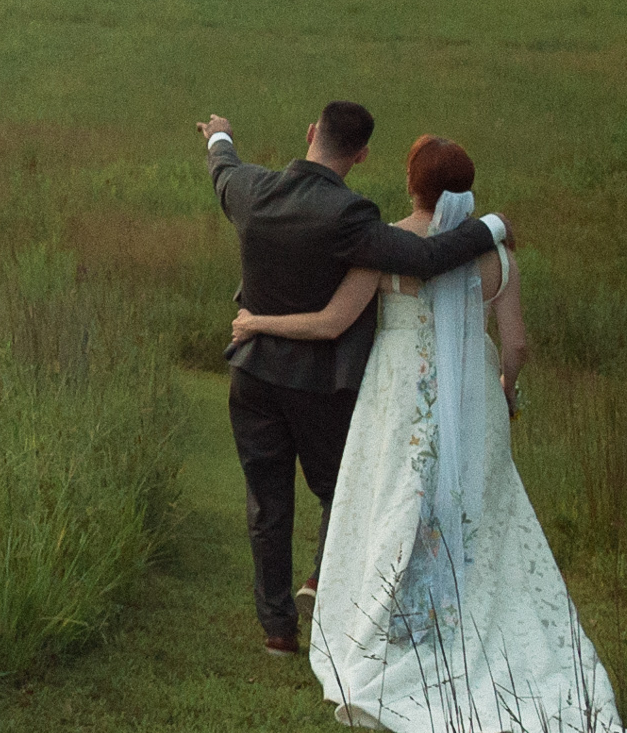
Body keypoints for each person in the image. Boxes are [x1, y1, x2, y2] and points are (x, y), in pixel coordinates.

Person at [234, 133, 627, 733]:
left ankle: (394, 631)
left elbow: (333, 322)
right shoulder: (496, 257)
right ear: (465, 188)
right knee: (478, 518)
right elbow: (517, 344)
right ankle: (468, 628)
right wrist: (506, 388)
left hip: (397, 403)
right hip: (473, 403)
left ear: (412, 183)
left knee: (393, 505)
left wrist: (257, 321)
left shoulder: (384, 245)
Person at [201, 103, 506, 656]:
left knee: (267, 502)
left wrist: (220, 137)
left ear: (312, 132)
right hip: (321, 383)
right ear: (361, 155)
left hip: (252, 373)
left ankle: (277, 628)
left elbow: (222, 169)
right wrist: (493, 228)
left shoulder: (251, 190)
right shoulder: (351, 216)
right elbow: (428, 257)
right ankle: (322, 582)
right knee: (338, 490)